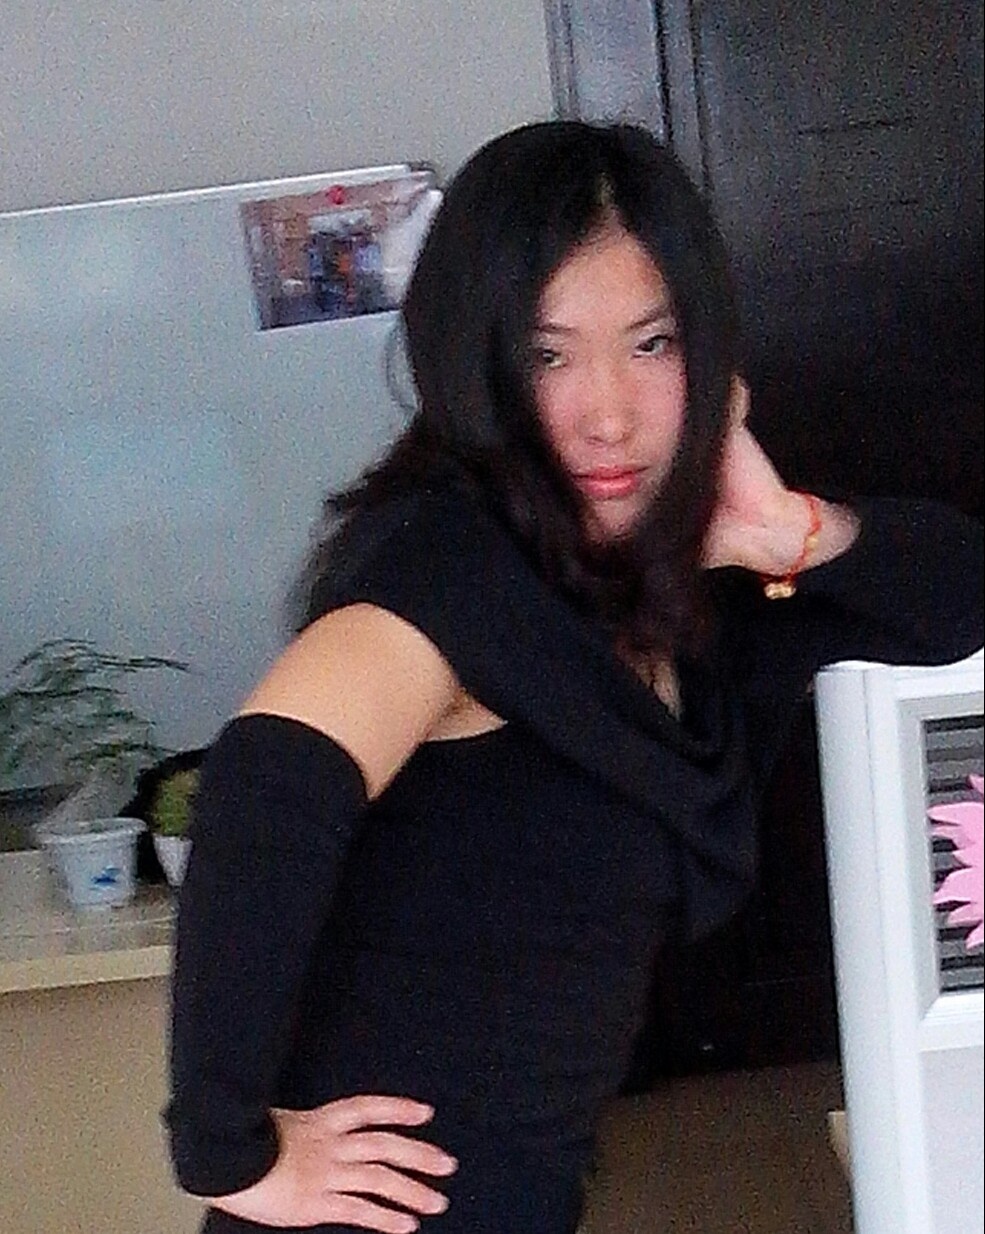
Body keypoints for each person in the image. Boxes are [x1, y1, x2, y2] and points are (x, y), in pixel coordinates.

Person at [165, 120, 984, 1234]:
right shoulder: (451, 567)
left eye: (652, 344)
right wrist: (225, 1152)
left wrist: (788, 530)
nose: (608, 413)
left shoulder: (694, 589)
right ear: (481, 366)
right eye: (549, 354)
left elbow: (956, 601)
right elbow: (267, 785)